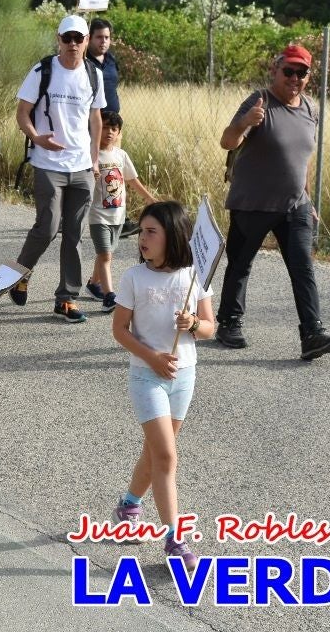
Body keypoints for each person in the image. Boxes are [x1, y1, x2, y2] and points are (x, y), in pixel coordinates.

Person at [216, 44, 330, 360]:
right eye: (289, 71)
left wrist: (308, 198)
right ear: (275, 70)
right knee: (240, 264)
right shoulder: (259, 100)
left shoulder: (310, 109)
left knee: (302, 267)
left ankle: (312, 334)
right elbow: (227, 141)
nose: (295, 78)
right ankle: (229, 322)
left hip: (295, 205)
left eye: (302, 73)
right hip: (253, 203)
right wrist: (245, 121)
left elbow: (302, 159)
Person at [111, 201, 215, 571]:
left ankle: (128, 506)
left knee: (156, 452)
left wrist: (193, 324)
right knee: (167, 456)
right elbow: (119, 330)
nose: (142, 238)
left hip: (184, 377)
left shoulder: (193, 276)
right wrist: (152, 357)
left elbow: (210, 328)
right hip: (146, 376)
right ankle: (174, 539)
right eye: (141, 231)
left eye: (151, 232)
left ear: (172, 236)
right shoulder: (133, 278)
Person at [8, 15, 105, 322]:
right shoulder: (43, 70)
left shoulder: (94, 74)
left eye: (79, 38)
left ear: (86, 41)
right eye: (67, 38)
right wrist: (37, 138)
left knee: (74, 233)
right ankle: (20, 274)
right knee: (48, 227)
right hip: (47, 163)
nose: (73, 44)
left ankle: (66, 298)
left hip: (82, 166)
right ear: (58, 39)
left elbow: (96, 119)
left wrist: (94, 159)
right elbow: (22, 113)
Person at [86, 111, 157, 312]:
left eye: (114, 129)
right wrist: (90, 175)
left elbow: (132, 180)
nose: (109, 132)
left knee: (106, 254)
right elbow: (81, 183)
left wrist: (150, 199)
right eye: (105, 127)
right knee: (106, 255)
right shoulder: (90, 154)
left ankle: (93, 283)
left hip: (117, 215)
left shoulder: (121, 155)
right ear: (96, 129)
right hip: (98, 215)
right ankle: (109, 296)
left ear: (119, 133)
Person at [87, 18, 140, 239]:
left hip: (113, 125)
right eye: (99, 37)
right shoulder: (83, 62)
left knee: (115, 171)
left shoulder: (111, 60)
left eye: (107, 37)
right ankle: (72, 215)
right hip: (91, 124)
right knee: (90, 173)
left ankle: (121, 220)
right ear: (90, 38)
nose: (103, 41)